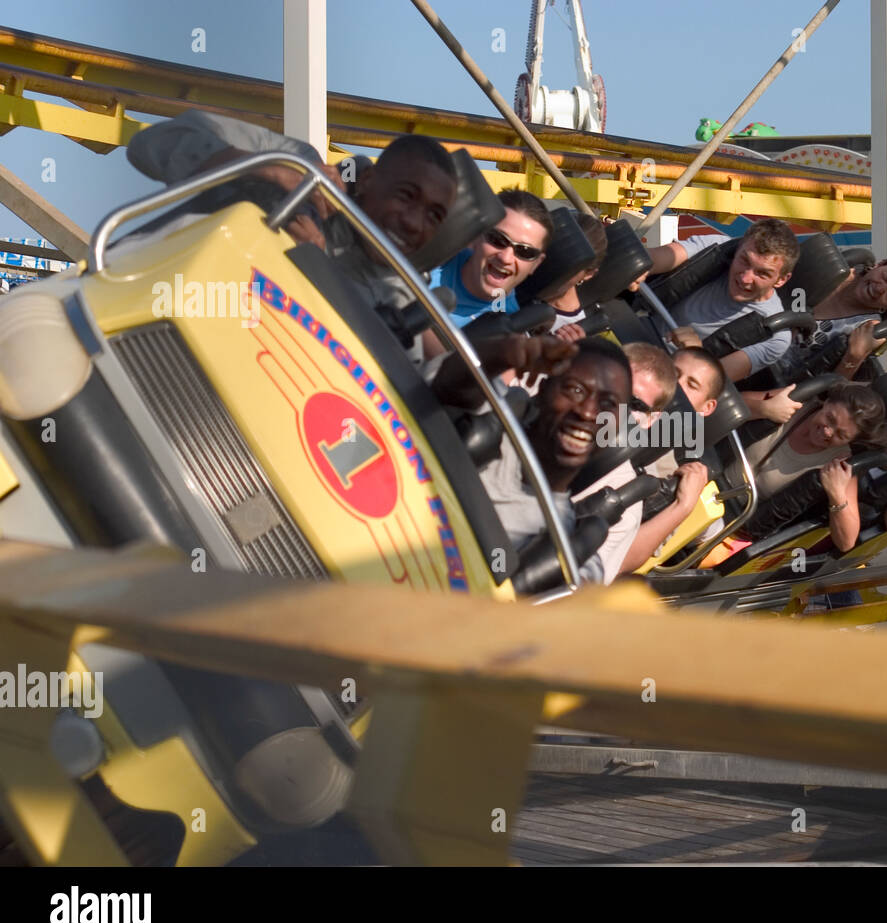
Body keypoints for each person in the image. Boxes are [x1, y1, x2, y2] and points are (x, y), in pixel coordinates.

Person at [126, 110, 457, 317]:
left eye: (434, 216)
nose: (414, 222)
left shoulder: (397, 298)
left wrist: (320, 270)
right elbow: (148, 145)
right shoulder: (298, 161)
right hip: (139, 298)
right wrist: (264, 168)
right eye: (406, 196)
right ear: (367, 181)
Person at [430, 335, 631, 586]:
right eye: (575, 390)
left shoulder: (566, 548)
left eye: (607, 405)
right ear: (544, 389)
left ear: (618, 426)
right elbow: (449, 387)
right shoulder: (490, 415)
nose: (588, 412)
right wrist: (502, 352)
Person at [572, 342, 705, 581]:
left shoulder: (625, 505)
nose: (615, 406)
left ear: (650, 420)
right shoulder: (533, 393)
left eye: (634, 404)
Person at [726, 382, 887, 553]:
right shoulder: (798, 402)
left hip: (730, 521)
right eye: (830, 419)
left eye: (841, 435)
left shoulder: (840, 460)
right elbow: (725, 401)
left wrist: (836, 494)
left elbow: (847, 542)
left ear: (851, 440)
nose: (828, 432)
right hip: (708, 471)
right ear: (827, 403)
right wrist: (765, 408)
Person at [643, 219, 800, 381]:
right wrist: (640, 266)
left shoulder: (776, 337)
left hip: (664, 377)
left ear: (781, 279)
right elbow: (654, 258)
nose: (745, 278)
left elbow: (713, 381)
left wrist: (696, 352)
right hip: (631, 326)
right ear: (737, 249)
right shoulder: (716, 248)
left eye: (762, 273)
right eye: (744, 261)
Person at [427, 188, 552, 326]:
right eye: (497, 239)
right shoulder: (426, 261)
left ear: (536, 264)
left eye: (525, 251)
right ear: (475, 235)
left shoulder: (509, 331)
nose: (506, 258)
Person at [770, 253, 887, 385]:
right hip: (754, 332)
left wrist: (855, 356)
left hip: (774, 379)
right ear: (880, 264)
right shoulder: (833, 267)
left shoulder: (867, 328)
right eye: (885, 277)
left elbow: (831, 392)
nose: (880, 289)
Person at [543, 213, 609, 342]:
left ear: (589, 274)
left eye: (565, 268)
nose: (548, 270)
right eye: (546, 256)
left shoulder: (581, 330)